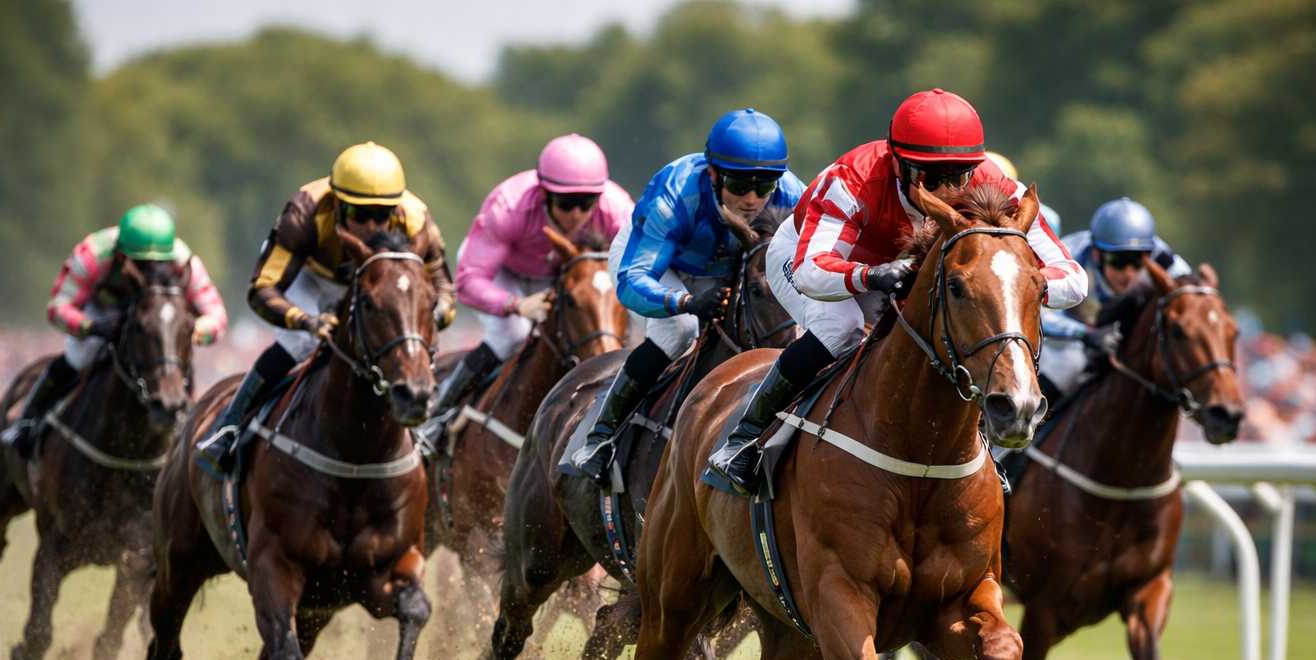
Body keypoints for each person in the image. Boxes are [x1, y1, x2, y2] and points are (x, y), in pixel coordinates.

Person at [704, 88, 1087, 494]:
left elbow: (1074, 279)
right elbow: (811, 273)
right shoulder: (853, 180)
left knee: (957, 332)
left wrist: (1017, 285)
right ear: (898, 163)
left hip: (903, 272)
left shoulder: (996, 186)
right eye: (933, 178)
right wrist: (872, 276)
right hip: (811, 260)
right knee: (843, 326)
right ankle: (743, 438)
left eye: (958, 177)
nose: (948, 193)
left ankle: (982, 449)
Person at [570, 108, 805, 480]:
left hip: (729, 266)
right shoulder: (676, 193)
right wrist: (685, 302)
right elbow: (634, 281)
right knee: (676, 331)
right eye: (739, 186)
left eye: (764, 187)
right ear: (713, 174)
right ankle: (601, 435)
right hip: (658, 264)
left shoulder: (792, 197)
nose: (752, 199)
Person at [195, 141, 456, 474]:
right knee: (300, 343)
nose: (373, 227)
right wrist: (306, 321)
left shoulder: (416, 219)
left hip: (381, 279)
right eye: (361, 215)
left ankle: (421, 427)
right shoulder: (305, 213)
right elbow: (261, 289)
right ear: (338, 205)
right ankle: (230, 425)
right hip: (311, 276)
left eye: (382, 215)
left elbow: (445, 287)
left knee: (405, 342)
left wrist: (429, 318)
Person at [417, 134, 633, 449]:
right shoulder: (509, 207)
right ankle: (439, 416)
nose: (576, 214)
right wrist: (516, 305)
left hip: (566, 276)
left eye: (586, 203)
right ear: (544, 194)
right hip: (505, 274)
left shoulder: (617, 209)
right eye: (566, 203)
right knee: (511, 335)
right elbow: (468, 282)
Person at [2, 204, 227, 454]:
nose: (149, 270)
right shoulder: (91, 256)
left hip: (155, 317)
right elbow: (57, 307)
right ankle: (28, 420)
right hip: (103, 311)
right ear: (121, 255)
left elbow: (217, 316)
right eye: (141, 264)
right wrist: (92, 327)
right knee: (79, 356)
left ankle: (190, 436)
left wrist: (188, 331)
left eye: (158, 263)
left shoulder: (183, 260)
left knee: (174, 360)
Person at [1039, 196, 1193, 405]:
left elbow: (1191, 295)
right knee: (1068, 364)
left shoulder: (1161, 255)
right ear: (1096, 254)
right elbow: (1039, 314)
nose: (1129, 273)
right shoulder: (1070, 255)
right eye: (1118, 262)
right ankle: (1030, 430)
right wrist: (1085, 334)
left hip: (1130, 338)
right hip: (1073, 343)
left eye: (1137, 262)